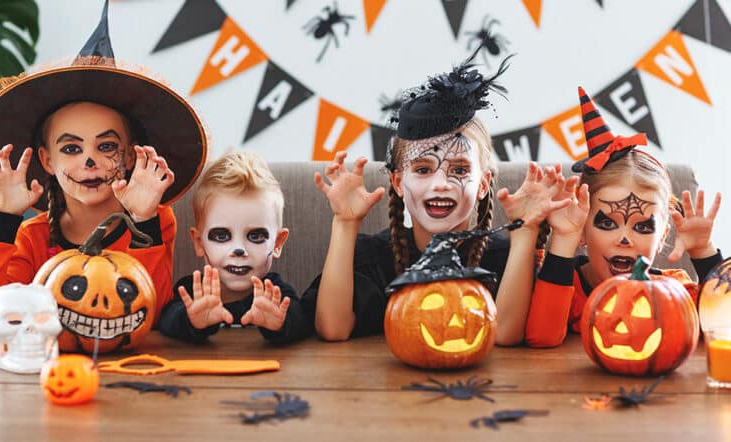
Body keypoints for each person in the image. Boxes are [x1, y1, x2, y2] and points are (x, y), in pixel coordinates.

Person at [304, 51, 572, 344]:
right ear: (398, 182)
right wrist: (345, 222)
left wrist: (525, 231)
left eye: (458, 169)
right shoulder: (373, 257)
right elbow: (332, 328)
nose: (441, 183)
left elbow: (505, 334)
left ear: (483, 184)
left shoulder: (503, 258)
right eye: (422, 169)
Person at [0, 0, 207, 329]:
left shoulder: (155, 220)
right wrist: (3, 221)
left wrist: (144, 220)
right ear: (47, 160)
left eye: (106, 146)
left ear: (130, 155)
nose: (89, 161)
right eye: (72, 148)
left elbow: (151, 311)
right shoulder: (33, 236)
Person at [525, 87, 723, 347]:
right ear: (583, 230)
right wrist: (564, 238)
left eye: (642, 226)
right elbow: (541, 337)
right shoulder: (566, 285)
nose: (625, 239)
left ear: (662, 234)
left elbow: (723, 325)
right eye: (607, 223)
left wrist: (704, 253)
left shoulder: (673, 290)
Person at [159, 152, 312, 344]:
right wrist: (192, 320)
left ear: (278, 243)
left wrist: (280, 323)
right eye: (222, 236)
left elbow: (301, 321)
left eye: (255, 236)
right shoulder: (194, 290)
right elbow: (166, 320)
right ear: (199, 243)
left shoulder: (274, 291)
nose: (239, 250)